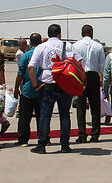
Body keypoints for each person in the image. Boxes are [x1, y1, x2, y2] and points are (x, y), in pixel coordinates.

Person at [28, 24, 78, 154]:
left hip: (47, 84)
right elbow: (77, 62)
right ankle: (65, 145)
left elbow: (31, 67)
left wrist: (35, 85)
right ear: (60, 34)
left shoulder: (41, 47)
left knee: (45, 115)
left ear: (48, 34)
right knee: (65, 115)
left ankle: (42, 145)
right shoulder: (67, 45)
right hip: (64, 84)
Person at [73, 24, 106, 143]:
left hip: (80, 76)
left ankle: (82, 134)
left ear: (82, 33)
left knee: (80, 106)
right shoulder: (98, 46)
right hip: (93, 76)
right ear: (91, 32)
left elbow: (73, 63)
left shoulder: (75, 46)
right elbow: (102, 65)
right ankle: (95, 134)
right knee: (95, 106)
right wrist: (103, 79)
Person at [13, 33, 42, 146]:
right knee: (42, 116)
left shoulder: (26, 56)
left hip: (28, 90)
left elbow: (20, 74)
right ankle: (43, 138)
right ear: (40, 42)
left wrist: (16, 89)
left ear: (30, 43)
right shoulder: (43, 55)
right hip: (41, 90)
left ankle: (23, 140)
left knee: (25, 117)